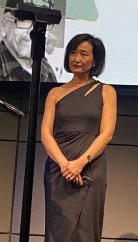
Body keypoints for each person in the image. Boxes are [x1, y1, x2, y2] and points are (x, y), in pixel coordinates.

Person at [41, 34, 117, 242]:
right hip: (59, 168)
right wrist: (66, 165)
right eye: (73, 52)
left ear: (94, 60)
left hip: (90, 166)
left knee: (85, 231)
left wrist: (80, 163)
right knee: (57, 231)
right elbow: (46, 134)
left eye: (84, 54)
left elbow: (106, 133)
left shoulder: (106, 91)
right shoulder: (55, 93)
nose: (77, 58)